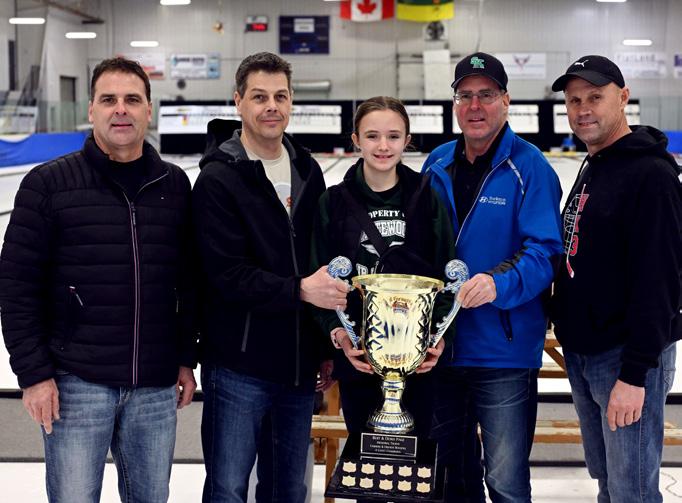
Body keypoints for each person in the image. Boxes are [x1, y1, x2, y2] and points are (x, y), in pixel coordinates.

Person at [0, 57, 197, 502]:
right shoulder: (48, 184)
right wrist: (34, 375)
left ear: (149, 109)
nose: (120, 109)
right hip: (76, 381)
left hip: (154, 383)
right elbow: (16, 286)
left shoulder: (174, 185)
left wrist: (186, 357)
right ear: (91, 110)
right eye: (109, 99)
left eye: (132, 99)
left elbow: (187, 282)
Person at [192, 52, 346, 503]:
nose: (271, 107)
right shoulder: (217, 179)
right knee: (227, 489)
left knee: (288, 490)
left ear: (292, 101)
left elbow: (320, 260)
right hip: (237, 365)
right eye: (259, 97)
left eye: (280, 96)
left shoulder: (307, 171)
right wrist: (300, 290)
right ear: (238, 101)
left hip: (297, 367)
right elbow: (225, 274)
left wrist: (324, 347)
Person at [421, 52, 563, 503]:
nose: (475, 106)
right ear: (454, 103)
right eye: (465, 95)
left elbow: (546, 252)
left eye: (485, 94)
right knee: (449, 479)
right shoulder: (436, 163)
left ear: (506, 100)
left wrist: (497, 284)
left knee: (505, 483)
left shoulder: (530, 167)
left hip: (503, 352)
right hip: (441, 349)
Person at [550, 55, 682, 503]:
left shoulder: (652, 175)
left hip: (625, 358)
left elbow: (661, 281)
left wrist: (634, 374)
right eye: (574, 100)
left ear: (623, 98)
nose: (583, 109)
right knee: (608, 481)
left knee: (632, 492)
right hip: (586, 352)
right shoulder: (595, 164)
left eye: (595, 97)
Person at [309, 96, 455, 447]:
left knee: (415, 463)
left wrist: (438, 338)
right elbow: (319, 282)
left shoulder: (427, 198)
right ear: (356, 139)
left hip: (417, 362)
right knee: (365, 464)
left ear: (407, 140)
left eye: (393, 136)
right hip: (358, 359)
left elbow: (447, 277)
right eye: (372, 136)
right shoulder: (333, 202)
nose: (383, 146)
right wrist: (338, 335)